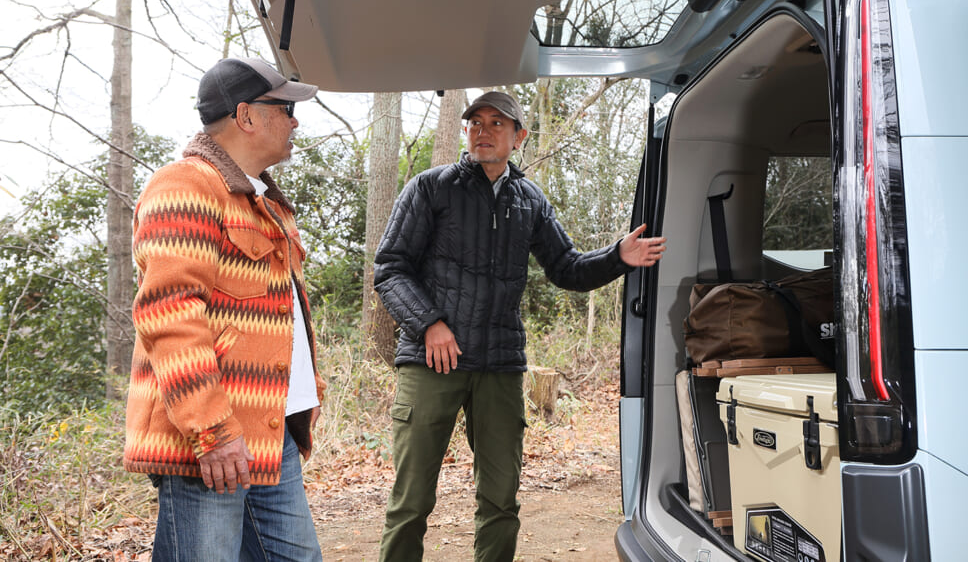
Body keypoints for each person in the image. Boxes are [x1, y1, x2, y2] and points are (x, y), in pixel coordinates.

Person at [373, 91, 667, 561]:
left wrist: (617, 257)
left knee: (501, 500)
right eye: (475, 123)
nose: (482, 131)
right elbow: (389, 268)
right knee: (411, 502)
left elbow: (566, 268)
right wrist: (429, 324)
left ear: (519, 136)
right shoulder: (430, 187)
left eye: (496, 123)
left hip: (500, 367)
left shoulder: (530, 199)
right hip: (432, 362)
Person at [123, 57, 327, 561]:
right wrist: (211, 430)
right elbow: (170, 312)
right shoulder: (184, 186)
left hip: (270, 430)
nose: (295, 120)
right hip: (213, 443)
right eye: (285, 108)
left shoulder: (266, 203)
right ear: (247, 115)